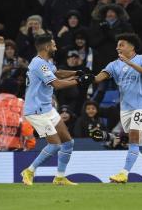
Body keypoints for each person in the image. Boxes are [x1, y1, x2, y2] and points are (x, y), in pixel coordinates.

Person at [20, 34, 94, 186]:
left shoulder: (44, 62)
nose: (56, 47)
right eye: (53, 45)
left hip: (47, 108)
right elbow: (57, 84)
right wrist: (79, 81)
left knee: (68, 142)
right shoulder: (39, 64)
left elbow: (58, 73)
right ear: (47, 47)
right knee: (55, 145)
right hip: (36, 110)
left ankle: (59, 177)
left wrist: (76, 73)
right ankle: (29, 171)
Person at [93, 33, 142, 183]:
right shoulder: (114, 64)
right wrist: (85, 77)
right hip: (126, 108)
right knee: (137, 139)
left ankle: (124, 173)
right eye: (117, 45)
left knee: (133, 137)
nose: (117, 47)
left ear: (132, 47)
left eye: (121, 45)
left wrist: (129, 62)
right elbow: (98, 78)